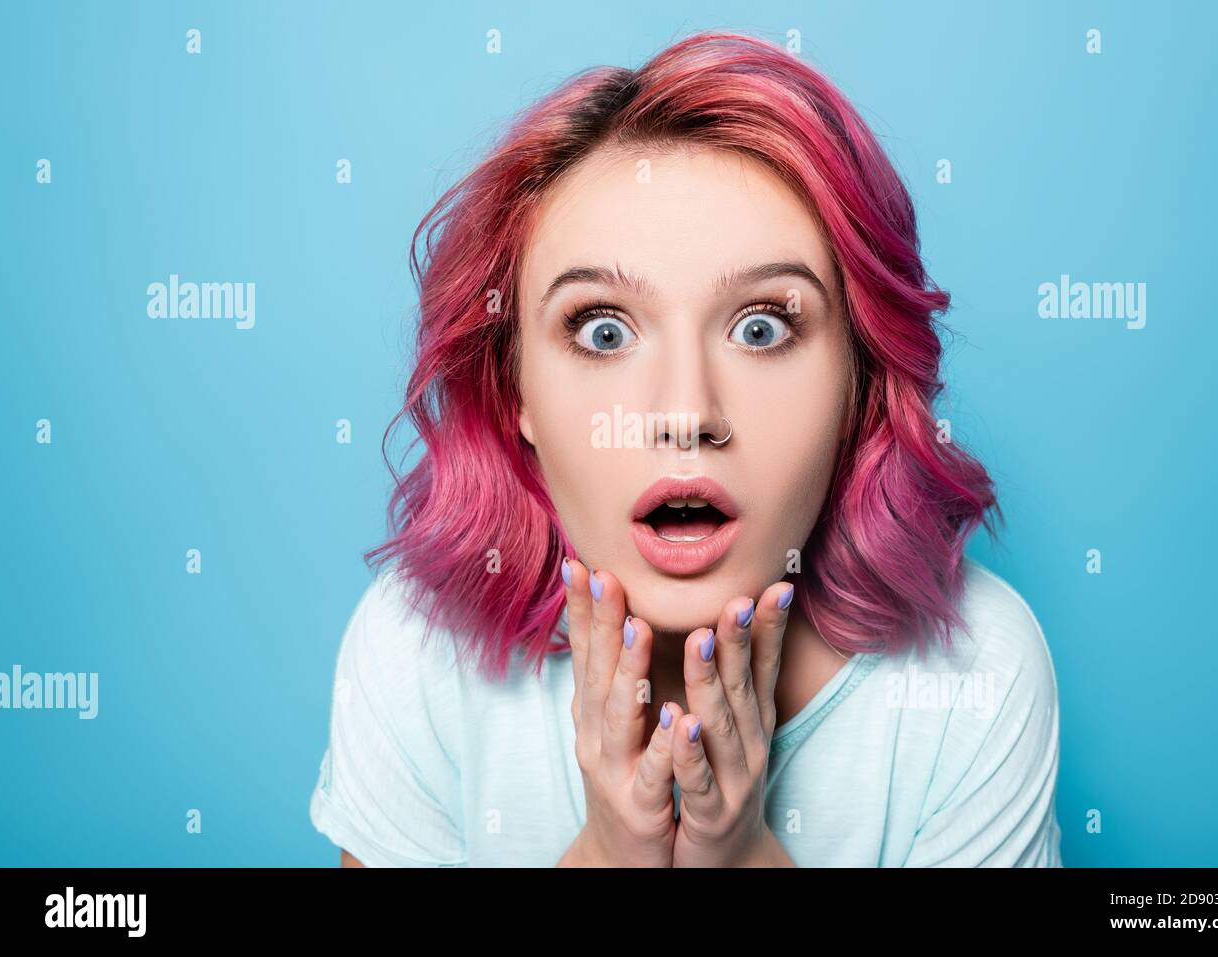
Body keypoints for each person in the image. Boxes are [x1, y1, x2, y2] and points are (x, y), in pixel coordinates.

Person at [308, 30, 1062, 867]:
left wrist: (741, 856)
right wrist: (607, 852)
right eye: (603, 330)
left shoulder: (971, 673)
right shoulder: (417, 651)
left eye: (762, 327)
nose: (685, 415)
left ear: (859, 385)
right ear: (515, 390)